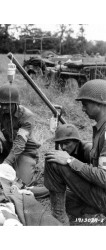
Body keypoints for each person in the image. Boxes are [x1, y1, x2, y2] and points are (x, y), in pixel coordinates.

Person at [45, 79, 106, 225]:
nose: (83, 109)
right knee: (69, 200)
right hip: (101, 193)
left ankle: (59, 219)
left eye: (85, 104)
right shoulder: (100, 128)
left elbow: (104, 178)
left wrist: (69, 161)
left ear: (100, 103)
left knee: (54, 162)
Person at [0, 84, 41, 186]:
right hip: (9, 146)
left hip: (26, 151)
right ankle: (4, 161)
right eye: (1, 104)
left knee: (22, 183)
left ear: (15, 103)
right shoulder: (0, 111)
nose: (4, 107)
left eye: (8, 104)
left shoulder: (26, 116)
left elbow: (20, 144)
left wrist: (6, 163)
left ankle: (28, 167)